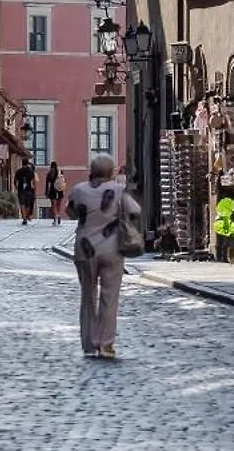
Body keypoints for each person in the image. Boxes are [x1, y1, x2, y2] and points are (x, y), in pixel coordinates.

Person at [67, 153, 140, 359]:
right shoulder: (118, 191)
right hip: (112, 249)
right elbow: (134, 211)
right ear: (111, 172)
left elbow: (70, 212)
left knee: (87, 295)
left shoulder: (78, 190)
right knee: (110, 296)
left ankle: (89, 342)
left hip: (85, 248)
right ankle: (105, 344)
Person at [14, 158, 36, 225]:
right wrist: (34, 190)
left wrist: (17, 187)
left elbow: (15, 181)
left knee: (22, 204)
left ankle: (24, 219)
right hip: (29, 189)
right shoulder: (31, 171)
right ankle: (26, 216)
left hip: (21, 189)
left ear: (22, 163)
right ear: (27, 163)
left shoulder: (18, 171)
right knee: (28, 204)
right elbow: (33, 181)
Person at [45, 161, 66, 225]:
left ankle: (55, 218)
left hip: (52, 190)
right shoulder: (60, 172)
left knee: (53, 205)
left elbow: (47, 184)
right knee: (59, 205)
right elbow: (63, 182)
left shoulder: (49, 173)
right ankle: (59, 215)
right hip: (60, 190)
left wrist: (46, 192)